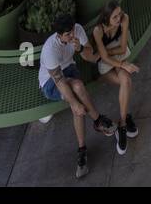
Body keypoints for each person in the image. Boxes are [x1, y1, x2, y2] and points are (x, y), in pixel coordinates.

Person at [38, 14, 115, 180]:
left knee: (78, 90)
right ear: (59, 36)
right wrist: (73, 102)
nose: (72, 35)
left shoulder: (77, 30)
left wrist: (80, 48)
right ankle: (97, 120)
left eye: (72, 31)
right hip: (50, 83)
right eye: (67, 34)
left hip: (69, 69)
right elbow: (59, 82)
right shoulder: (49, 50)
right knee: (77, 95)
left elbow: (89, 54)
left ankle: (82, 150)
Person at [89, 2, 139, 157]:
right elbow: (102, 58)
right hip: (106, 65)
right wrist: (120, 61)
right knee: (126, 81)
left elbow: (122, 48)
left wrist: (106, 53)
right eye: (115, 16)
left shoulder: (124, 19)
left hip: (116, 58)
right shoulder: (98, 31)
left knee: (126, 81)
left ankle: (122, 124)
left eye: (120, 14)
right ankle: (125, 120)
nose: (119, 18)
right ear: (106, 17)